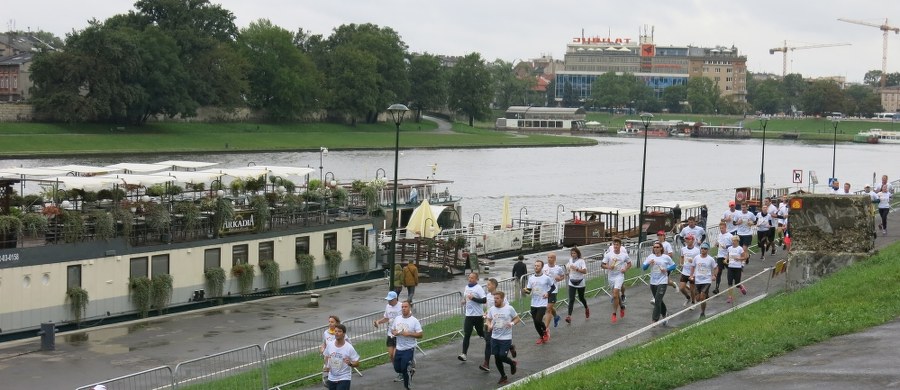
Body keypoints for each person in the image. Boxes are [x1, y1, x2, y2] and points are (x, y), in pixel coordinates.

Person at [481, 278, 516, 372]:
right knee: (488, 343)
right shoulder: (488, 296)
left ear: (494, 285)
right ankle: (486, 363)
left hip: (502, 327)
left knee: (492, 346)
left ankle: (509, 346)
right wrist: (486, 314)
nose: (487, 286)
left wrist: (510, 322)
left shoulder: (502, 297)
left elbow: (506, 309)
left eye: (488, 284)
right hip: (491, 324)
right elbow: (489, 309)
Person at [486, 291, 521, 385]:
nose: (495, 300)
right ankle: (503, 376)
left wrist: (511, 323)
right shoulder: (492, 309)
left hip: (506, 337)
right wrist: (489, 325)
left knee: (502, 356)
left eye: (497, 298)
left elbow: (517, 318)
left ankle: (512, 363)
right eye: (494, 299)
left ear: (502, 299)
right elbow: (488, 319)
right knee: (497, 358)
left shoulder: (509, 308)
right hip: (495, 337)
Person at [642, 242, 676, 324]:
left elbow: (674, 266)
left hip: (663, 281)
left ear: (661, 248)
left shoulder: (666, 257)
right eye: (654, 247)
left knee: (657, 300)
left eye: (657, 247)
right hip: (653, 282)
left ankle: (654, 320)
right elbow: (644, 268)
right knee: (659, 300)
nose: (656, 248)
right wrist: (649, 263)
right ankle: (665, 314)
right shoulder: (650, 257)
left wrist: (666, 269)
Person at [391, 301, 422, 390]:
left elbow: (420, 335)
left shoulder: (414, 321)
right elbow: (392, 330)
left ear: (409, 308)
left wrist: (409, 334)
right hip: (399, 348)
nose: (404, 308)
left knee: (404, 368)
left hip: (409, 348)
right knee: (397, 369)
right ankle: (411, 369)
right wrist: (395, 332)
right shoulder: (397, 319)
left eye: (406, 307)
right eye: (402, 307)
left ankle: (407, 386)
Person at [523, 260, 555, 343]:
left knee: (538, 320)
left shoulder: (546, 278)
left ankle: (545, 331)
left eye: (538, 266)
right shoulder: (531, 278)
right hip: (534, 303)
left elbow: (553, 287)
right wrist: (524, 290)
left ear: (541, 267)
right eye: (535, 265)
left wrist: (548, 293)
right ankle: (542, 336)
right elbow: (529, 291)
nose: (536, 267)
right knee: (535, 322)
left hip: (542, 302)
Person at [373, 291, 402, 382]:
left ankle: (402, 372)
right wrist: (378, 322)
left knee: (395, 355)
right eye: (387, 300)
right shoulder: (388, 307)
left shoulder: (402, 306)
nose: (388, 301)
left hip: (399, 334)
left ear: (395, 299)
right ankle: (399, 371)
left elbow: (407, 317)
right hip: (390, 334)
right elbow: (386, 318)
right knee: (391, 355)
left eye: (390, 300)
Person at [601, 238, 631, 324]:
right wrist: (608, 267)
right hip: (611, 276)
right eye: (614, 245)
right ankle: (621, 307)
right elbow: (602, 265)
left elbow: (629, 263)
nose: (616, 246)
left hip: (619, 276)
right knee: (616, 295)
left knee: (615, 294)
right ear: (613, 245)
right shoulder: (608, 255)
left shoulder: (624, 255)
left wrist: (625, 269)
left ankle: (614, 313)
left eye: (617, 245)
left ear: (620, 246)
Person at [459, 272, 487, 362]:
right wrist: (464, 301)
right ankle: (464, 354)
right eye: (469, 277)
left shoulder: (478, 288)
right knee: (467, 334)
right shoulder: (467, 287)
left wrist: (473, 298)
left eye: (472, 278)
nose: (470, 279)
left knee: (481, 333)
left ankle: (492, 343)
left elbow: (484, 300)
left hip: (478, 315)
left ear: (476, 279)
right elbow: (466, 297)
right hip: (469, 315)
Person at [322, 324, 360, 390]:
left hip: (344, 377)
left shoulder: (349, 348)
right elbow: (326, 356)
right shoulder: (330, 345)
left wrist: (350, 364)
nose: (337, 333)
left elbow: (357, 363)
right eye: (335, 331)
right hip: (332, 377)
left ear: (344, 334)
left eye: (339, 331)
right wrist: (327, 366)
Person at [690, 243, 717, 318]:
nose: (703, 250)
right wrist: (691, 275)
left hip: (706, 281)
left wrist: (714, 275)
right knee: (698, 299)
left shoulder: (710, 259)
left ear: (708, 250)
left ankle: (702, 313)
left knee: (702, 298)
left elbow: (715, 267)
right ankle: (706, 295)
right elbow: (692, 266)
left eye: (705, 249)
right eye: (702, 248)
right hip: (697, 280)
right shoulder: (696, 258)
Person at [564, 247, 589, 324]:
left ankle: (586, 308)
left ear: (577, 253)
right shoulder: (570, 260)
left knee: (581, 298)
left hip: (580, 282)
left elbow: (585, 271)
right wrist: (568, 272)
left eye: (574, 253)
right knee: (571, 299)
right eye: (572, 253)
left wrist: (577, 269)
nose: (573, 255)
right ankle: (569, 316)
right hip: (571, 282)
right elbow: (569, 268)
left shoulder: (581, 261)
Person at [542, 252, 566, 330]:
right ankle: (556, 317)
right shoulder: (544, 267)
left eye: (551, 258)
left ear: (554, 259)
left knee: (548, 308)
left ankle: (546, 329)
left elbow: (563, 276)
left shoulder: (558, 268)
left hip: (553, 290)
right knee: (549, 307)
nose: (549, 259)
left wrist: (559, 279)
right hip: (544, 290)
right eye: (548, 257)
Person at [725, 235, 749, 304]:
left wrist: (739, 259)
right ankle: (730, 297)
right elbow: (727, 255)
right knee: (729, 283)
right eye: (732, 241)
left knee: (737, 283)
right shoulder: (729, 248)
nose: (733, 242)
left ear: (737, 241)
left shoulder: (740, 249)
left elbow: (745, 257)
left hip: (737, 268)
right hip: (730, 267)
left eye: (734, 241)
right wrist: (726, 260)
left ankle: (741, 286)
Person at [678, 235, 700, 307]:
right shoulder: (683, 249)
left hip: (692, 273)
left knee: (692, 289)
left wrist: (693, 261)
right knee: (681, 288)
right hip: (685, 271)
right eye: (686, 239)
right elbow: (681, 257)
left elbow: (699, 261)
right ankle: (688, 298)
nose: (687, 241)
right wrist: (681, 263)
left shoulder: (697, 250)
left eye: (689, 239)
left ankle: (693, 303)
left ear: (693, 240)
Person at [713, 222, 733, 295]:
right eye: (720, 228)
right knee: (719, 272)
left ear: (725, 227)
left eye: (722, 228)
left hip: (727, 256)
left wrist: (727, 246)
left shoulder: (730, 236)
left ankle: (738, 284)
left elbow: (734, 246)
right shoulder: (719, 235)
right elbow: (718, 244)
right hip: (720, 256)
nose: (721, 230)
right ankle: (717, 288)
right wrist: (717, 245)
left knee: (731, 272)